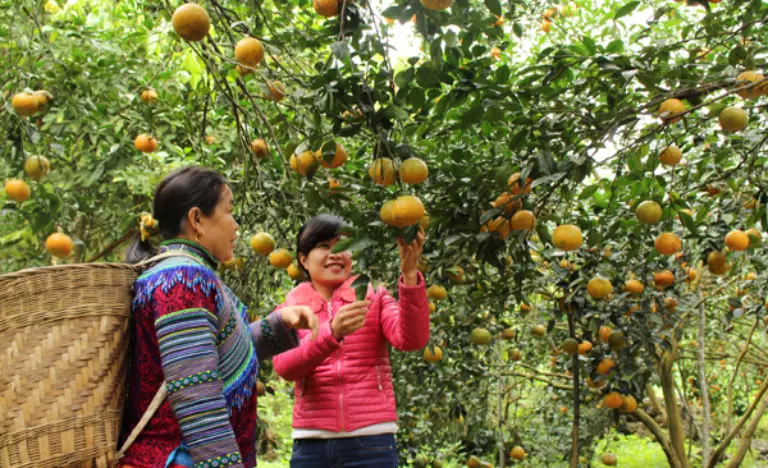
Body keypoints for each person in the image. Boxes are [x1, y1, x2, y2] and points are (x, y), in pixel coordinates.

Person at [118, 166, 318, 468]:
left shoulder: (182, 273)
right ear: (197, 219)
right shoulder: (183, 279)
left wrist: (277, 325)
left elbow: (206, 353)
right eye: (229, 211)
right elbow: (196, 392)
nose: (236, 225)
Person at [272, 214, 430, 467]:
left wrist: (410, 274)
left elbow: (412, 339)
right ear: (303, 259)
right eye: (324, 246)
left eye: (342, 246)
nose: (335, 254)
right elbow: (285, 368)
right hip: (312, 443)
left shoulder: (373, 297)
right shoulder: (291, 308)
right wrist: (331, 333)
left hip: (372, 441)